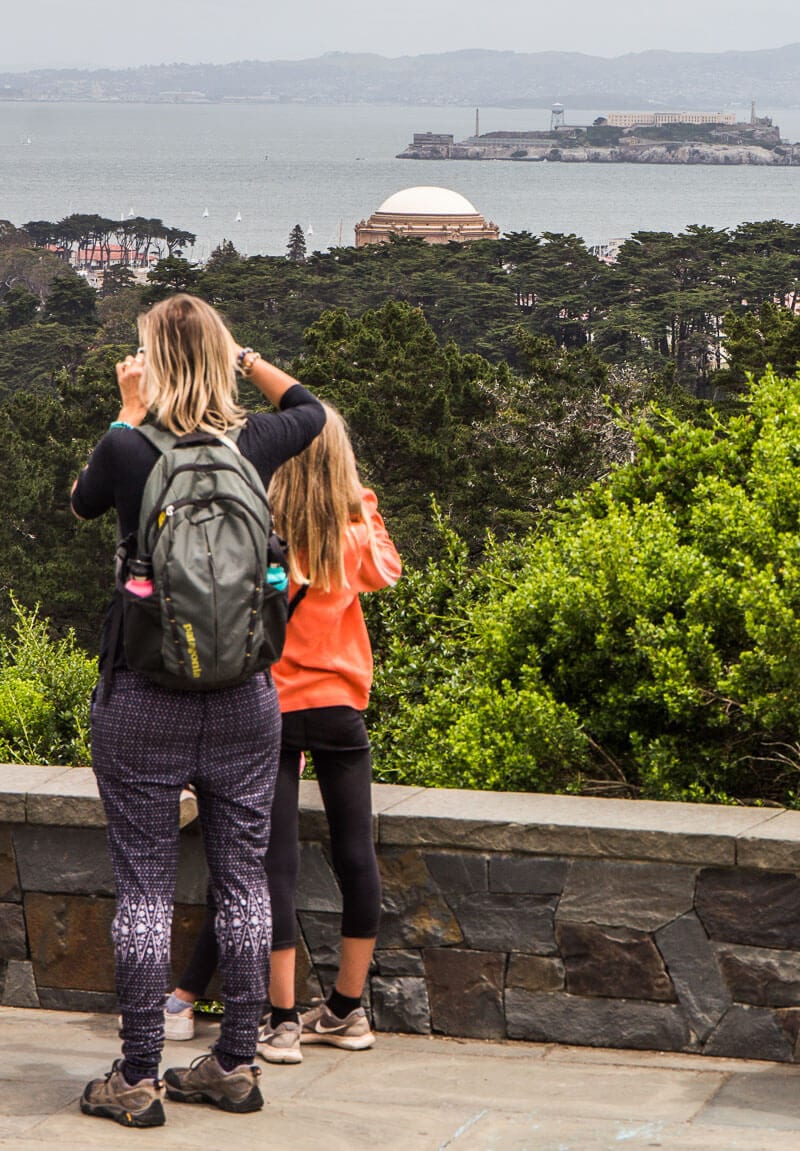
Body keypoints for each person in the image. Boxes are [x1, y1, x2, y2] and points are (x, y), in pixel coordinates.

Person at [71, 294, 325, 1127]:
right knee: (243, 881)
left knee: (144, 888)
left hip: (144, 695)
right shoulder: (251, 442)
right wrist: (247, 358)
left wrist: (129, 407)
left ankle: (138, 1076)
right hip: (247, 697)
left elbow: (81, 501)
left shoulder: (127, 447)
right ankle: (236, 1061)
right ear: (216, 357)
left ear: (150, 358)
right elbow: (311, 411)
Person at [167, 401, 401, 1065]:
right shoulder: (348, 533)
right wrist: (364, 502)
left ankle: (284, 1018)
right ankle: (349, 1010)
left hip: (274, 706)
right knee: (357, 852)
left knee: (276, 865)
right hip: (341, 707)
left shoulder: (265, 530)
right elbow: (386, 570)